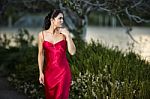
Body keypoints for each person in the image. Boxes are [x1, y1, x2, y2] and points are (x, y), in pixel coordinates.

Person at [38, 9, 76, 99]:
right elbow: (41, 54)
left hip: (63, 72)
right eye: (60, 18)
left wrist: (68, 36)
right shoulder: (42, 35)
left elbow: (72, 52)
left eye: (63, 19)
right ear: (52, 20)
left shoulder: (64, 34)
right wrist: (41, 72)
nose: (62, 21)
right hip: (49, 74)